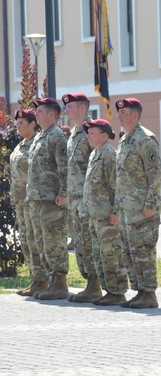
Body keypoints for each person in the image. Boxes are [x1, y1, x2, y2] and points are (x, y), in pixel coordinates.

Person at [113, 97, 161, 309]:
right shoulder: (125, 140)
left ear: (135, 115)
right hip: (127, 209)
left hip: (143, 209)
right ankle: (139, 291)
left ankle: (149, 293)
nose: (119, 116)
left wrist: (151, 205)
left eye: (123, 113)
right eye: (119, 113)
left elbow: (155, 175)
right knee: (130, 251)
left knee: (143, 251)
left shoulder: (146, 139)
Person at [26, 97, 70, 301]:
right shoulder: (40, 136)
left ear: (52, 114)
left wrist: (64, 193)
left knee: (54, 241)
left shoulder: (57, 136)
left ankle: (60, 284)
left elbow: (64, 167)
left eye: (41, 110)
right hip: (37, 198)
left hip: (52, 199)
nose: (37, 114)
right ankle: (49, 281)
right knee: (42, 241)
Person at [82, 118, 128, 306]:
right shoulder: (95, 154)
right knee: (99, 254)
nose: (88, 136)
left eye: (92, 132)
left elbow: (116, 186)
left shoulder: (109, 155)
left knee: (111, 254)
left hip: (107, 215)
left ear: (104, 135)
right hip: (95, 215)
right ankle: (108, 290)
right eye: (88, 132)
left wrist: (116, 211)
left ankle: (117, 291)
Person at [61, 93, 101, 302]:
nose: (66, 110)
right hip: (74, 198)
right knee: (80, 242)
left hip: (87, 198)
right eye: (66, 107)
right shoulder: (75, 133)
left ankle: (95, 285)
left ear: (83, 109)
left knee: (89, 241)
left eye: (71, 107)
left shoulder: (90, 132)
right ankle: (89, 283)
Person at [11, 109, 43, 297]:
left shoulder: (37, 145)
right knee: (26, 241)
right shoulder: (21, 145)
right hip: (20, 202)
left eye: (21, 123)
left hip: (32, 201)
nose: (18, 127)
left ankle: (42, 279)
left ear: (33, 124)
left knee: (35, 240)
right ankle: (36, 279)